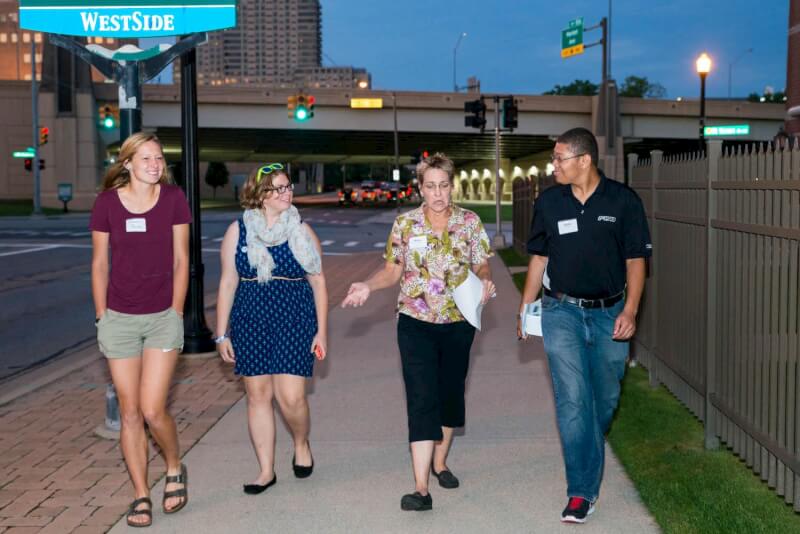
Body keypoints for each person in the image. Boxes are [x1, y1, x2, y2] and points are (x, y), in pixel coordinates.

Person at [342, 152, 496, 512]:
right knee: (421, 397)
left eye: (443, 186)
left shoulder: (469, 222)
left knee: (450, 395)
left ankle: (440, 463)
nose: (438, 194)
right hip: (414, 322)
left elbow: (482, 264)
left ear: (452, 186)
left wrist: (486, 280)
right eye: (431, 186)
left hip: (459, 322)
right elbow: (391, 271)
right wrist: (367, 285)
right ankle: (421, 488)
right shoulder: (405, 224)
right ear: (420, 188)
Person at [518, 127, 651, 524]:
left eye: (559, 158)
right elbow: (539, 258)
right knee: (573, 399)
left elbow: (636, 261)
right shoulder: (549, 202)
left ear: (584, 160)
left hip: (610, 313)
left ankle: (588, 446)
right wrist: (525, 307)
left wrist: (631, 311)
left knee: (604, 399)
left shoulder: (623, 201)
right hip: (561, 311)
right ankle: (581, 492)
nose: (553, 165)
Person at [90, 132, 191, 527]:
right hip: (119, 318)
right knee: (130, 412)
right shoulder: (106, 204)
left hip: (162, 317)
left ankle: (174, 464)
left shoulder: (173, 199)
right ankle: (140, 493)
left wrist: (176, 311)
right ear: (127, 163)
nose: (155, 164)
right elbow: (100, 263)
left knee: (152, 409)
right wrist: (102, 315)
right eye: (146, 158)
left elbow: (182, 260)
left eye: (159, 158)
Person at [215, 163, 327, 495]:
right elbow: (228, 283)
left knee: (291, 397)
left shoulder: (302, 230)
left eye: (287, 186)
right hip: (250, 318)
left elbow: (319, 282)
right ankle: (265, 470)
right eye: (277, 188)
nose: (286, 192)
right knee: (258, 395)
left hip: (295, 316)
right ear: (260, 194)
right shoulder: (238, 231)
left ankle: (301, 442)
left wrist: (321, 331)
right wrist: (221, 333)